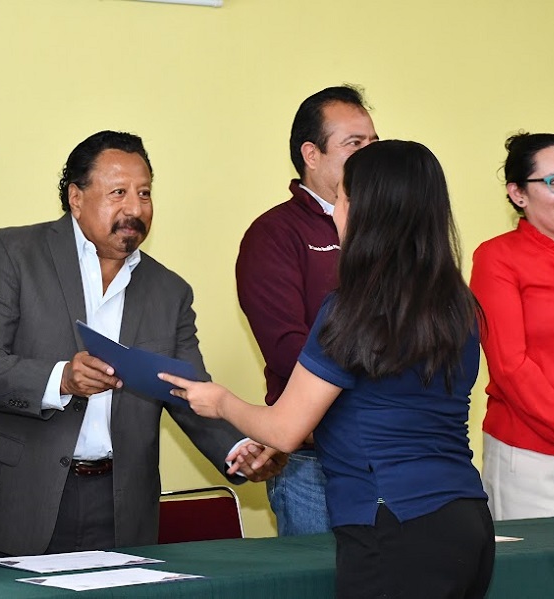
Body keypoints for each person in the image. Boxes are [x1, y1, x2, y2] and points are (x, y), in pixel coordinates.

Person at [162, 141, 494, 598]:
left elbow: (283, 428)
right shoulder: (457, 304)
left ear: (367, 212)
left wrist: (219, 401)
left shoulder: (353, 307)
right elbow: (381, 408)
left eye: (342, 197)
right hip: (466, 519)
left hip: (392, 521)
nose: (336, 210)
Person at [0, 130, 284, 557]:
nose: (135, 208)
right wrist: (61, 379)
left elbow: (188, 392)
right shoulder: (12, 253)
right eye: (118, 192)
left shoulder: (169, 291)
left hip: (120, 505)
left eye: (144, 193)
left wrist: (241, 449)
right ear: (76, 197)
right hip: (17, 496)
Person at [235, 85, 378, 536]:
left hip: (389, 449)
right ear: (311, 155)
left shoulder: (387, 229)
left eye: (374, 144)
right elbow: (287, 350)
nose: (369, 156)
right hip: (313, 459)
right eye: (354, 145)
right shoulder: (274, 233)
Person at [470, 132, 554, 520]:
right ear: (518, 194)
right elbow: (510, 366)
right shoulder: (498, 258)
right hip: (534, 461)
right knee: (536, 579)